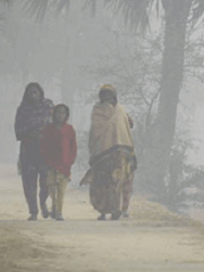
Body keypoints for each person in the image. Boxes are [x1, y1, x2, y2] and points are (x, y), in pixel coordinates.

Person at [80, 85, 136, 220]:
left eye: (109, 95)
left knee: (117, 180)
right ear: (100, 96)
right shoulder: (97, 110)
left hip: (120, 150)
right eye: (104, 95)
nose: (107, 98)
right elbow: (95, 130)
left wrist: (123, 120)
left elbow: (130, 124)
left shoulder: (120, 110)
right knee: (101, 181)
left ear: (114, 97)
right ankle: (103, 210)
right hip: (102, 152)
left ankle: (116, 208)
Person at [14, 82, 54, 220]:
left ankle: (43, 202)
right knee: (29, 182)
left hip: (45, 149)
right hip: (28, 149)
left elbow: (55, 126)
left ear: (40, 93)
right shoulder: (23, 110)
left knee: (46, 181)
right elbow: (18, 131)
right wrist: (30, 133)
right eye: (30, 93)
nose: (33, 95)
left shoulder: (48, 107)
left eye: (35, 92)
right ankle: (33, 211)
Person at [40, 104, 77, 221]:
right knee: (51, 187)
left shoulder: (69, 129)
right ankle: (54, 205)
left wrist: (71, 159)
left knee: (61, 189)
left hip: (64, 164)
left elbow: (73, 146)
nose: (60, 115)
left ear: (66, 115)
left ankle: (59, 212)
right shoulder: (49, 129)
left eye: (63, 113)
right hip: (51, 163)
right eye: (58, 113)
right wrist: (45, 159)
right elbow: (44, 145)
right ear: (54, 114)